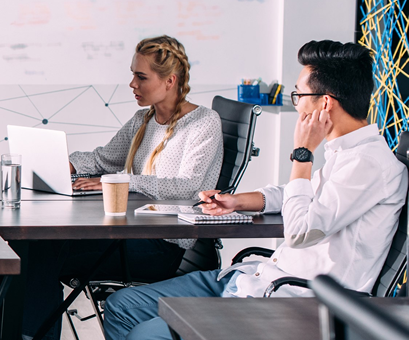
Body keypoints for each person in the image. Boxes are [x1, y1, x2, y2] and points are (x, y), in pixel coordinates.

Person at [102, 40, 408, 340]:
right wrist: (237, 201)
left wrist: (302, 153)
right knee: (122, 305)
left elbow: (301, 231)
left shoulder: (368, 165)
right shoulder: (348, 155)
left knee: (147, 332)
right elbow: (297, 193)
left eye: (299, 95)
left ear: (324, 103)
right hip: (257, 279)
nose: (297, 104)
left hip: (290, 302)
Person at [22, 35, 225, 339]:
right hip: (130, 233)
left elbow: (188, 188)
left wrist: (123, 180)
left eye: (140, 77)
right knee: (27, 246)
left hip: (161, 246)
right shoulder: (142, 119)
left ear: (169, 81)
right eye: (133, 74)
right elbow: (105, 159)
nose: (132, 83)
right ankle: (4, 332)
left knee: (40, 253)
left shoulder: (203, 123)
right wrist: (70, 164)